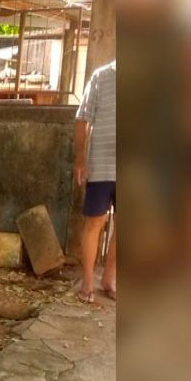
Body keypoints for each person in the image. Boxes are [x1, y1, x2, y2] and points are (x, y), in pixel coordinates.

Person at [75, 60, 117, 302]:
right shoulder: (101, 77)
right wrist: (80, 159)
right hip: (100, 165)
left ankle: (109, 279)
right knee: (94, 222)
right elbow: (82, 119)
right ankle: (87, 282)